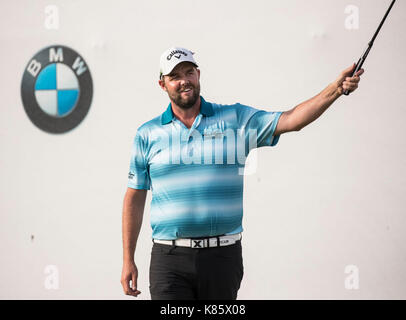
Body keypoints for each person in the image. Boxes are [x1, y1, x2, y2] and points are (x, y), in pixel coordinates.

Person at [120, 46, 364, 300]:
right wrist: (128, 259)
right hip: (168, 259)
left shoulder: (235, 119)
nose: (184, 81)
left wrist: (335, 89)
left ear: (198, 74)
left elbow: (292, 120)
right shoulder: (147, 133)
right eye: (175, 76)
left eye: (189, 72)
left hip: (222, 258)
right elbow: (134, 197)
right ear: (163, 84)